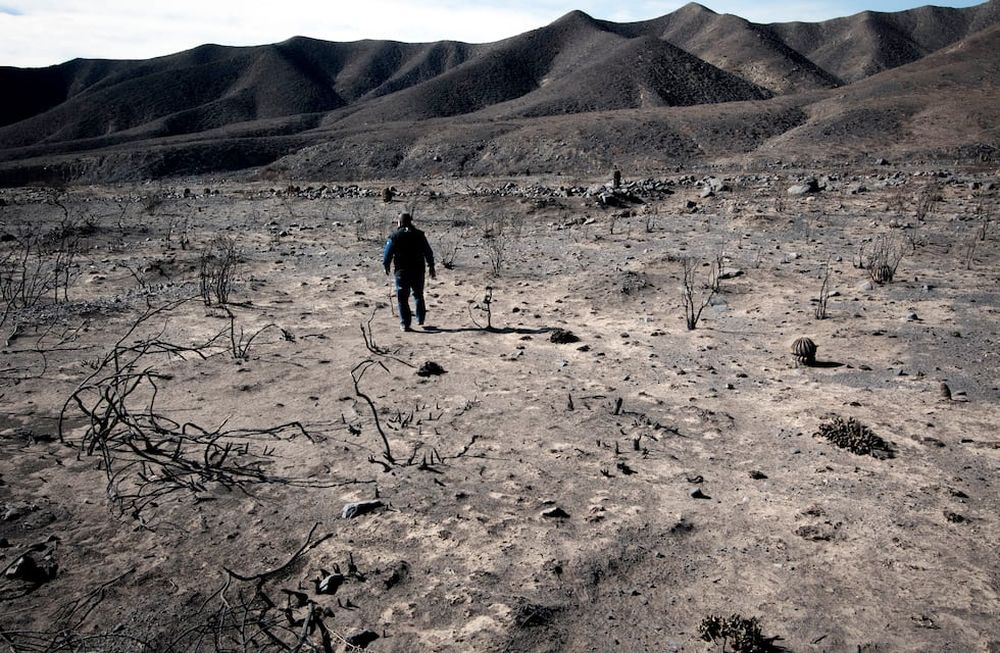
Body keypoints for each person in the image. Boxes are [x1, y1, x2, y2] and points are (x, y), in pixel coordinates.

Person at [383, 212, 436, 331]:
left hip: (402, 271)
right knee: (418, 295)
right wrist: (431, 266)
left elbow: (387, 253)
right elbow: (428, 251)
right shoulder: (419, 234)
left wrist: (386, 265)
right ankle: (420, 318)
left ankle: (405, 323)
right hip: (418, 270)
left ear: (399, 222)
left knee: (402, 298)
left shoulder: (395, 236)